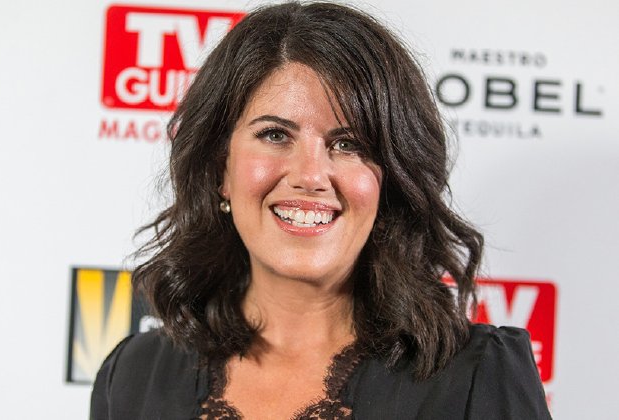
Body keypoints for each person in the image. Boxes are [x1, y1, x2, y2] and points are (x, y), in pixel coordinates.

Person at [91, 2, 551, 419]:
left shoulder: (476, 377)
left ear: (391, 179)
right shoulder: (133, 375)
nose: (310, 175)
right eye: (275, 135)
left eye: (348, 144)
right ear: (220, 169)